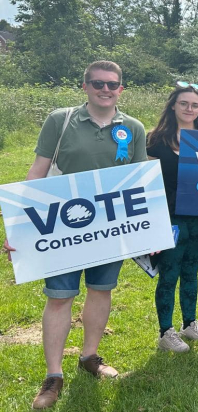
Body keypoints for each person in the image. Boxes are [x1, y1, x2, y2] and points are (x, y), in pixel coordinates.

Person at [3, 61, 146, 409]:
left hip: (110, 227)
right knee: (60, 296)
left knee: (101, 291)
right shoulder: (60, 119)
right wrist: (16, 224)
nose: (105, 89)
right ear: (85, 86)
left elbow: (139, 179)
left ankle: (89, 357)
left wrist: (148, 231)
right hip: (63, 225)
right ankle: (54, 376)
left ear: (121, 90)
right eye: (98, 83)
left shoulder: (133, 127)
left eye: (112, 84)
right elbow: (38, 170)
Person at [146, 82, 198, 352]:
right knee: (169, 272)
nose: (189, 108)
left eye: (195, 105)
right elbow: (147, 181)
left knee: (191, 270)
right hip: (169, 216)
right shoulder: (155, 139)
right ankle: (166, 331)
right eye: (184, 103)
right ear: (173, 106)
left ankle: (190, 324)